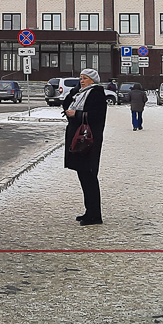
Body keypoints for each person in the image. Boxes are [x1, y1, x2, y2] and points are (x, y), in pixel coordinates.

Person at [64, 68, 108, 226]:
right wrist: (74, 91)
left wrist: (76, 114)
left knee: (89, 176)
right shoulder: (80, 93)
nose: (81, 81)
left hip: (89, 141)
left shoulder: (96, 93)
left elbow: (97, 116)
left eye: (85, 78)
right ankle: (89, 211)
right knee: (83, 176)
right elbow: (66, 105)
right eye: (80, 78)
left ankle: (95, 215)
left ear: (93, 80)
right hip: (79, 140)